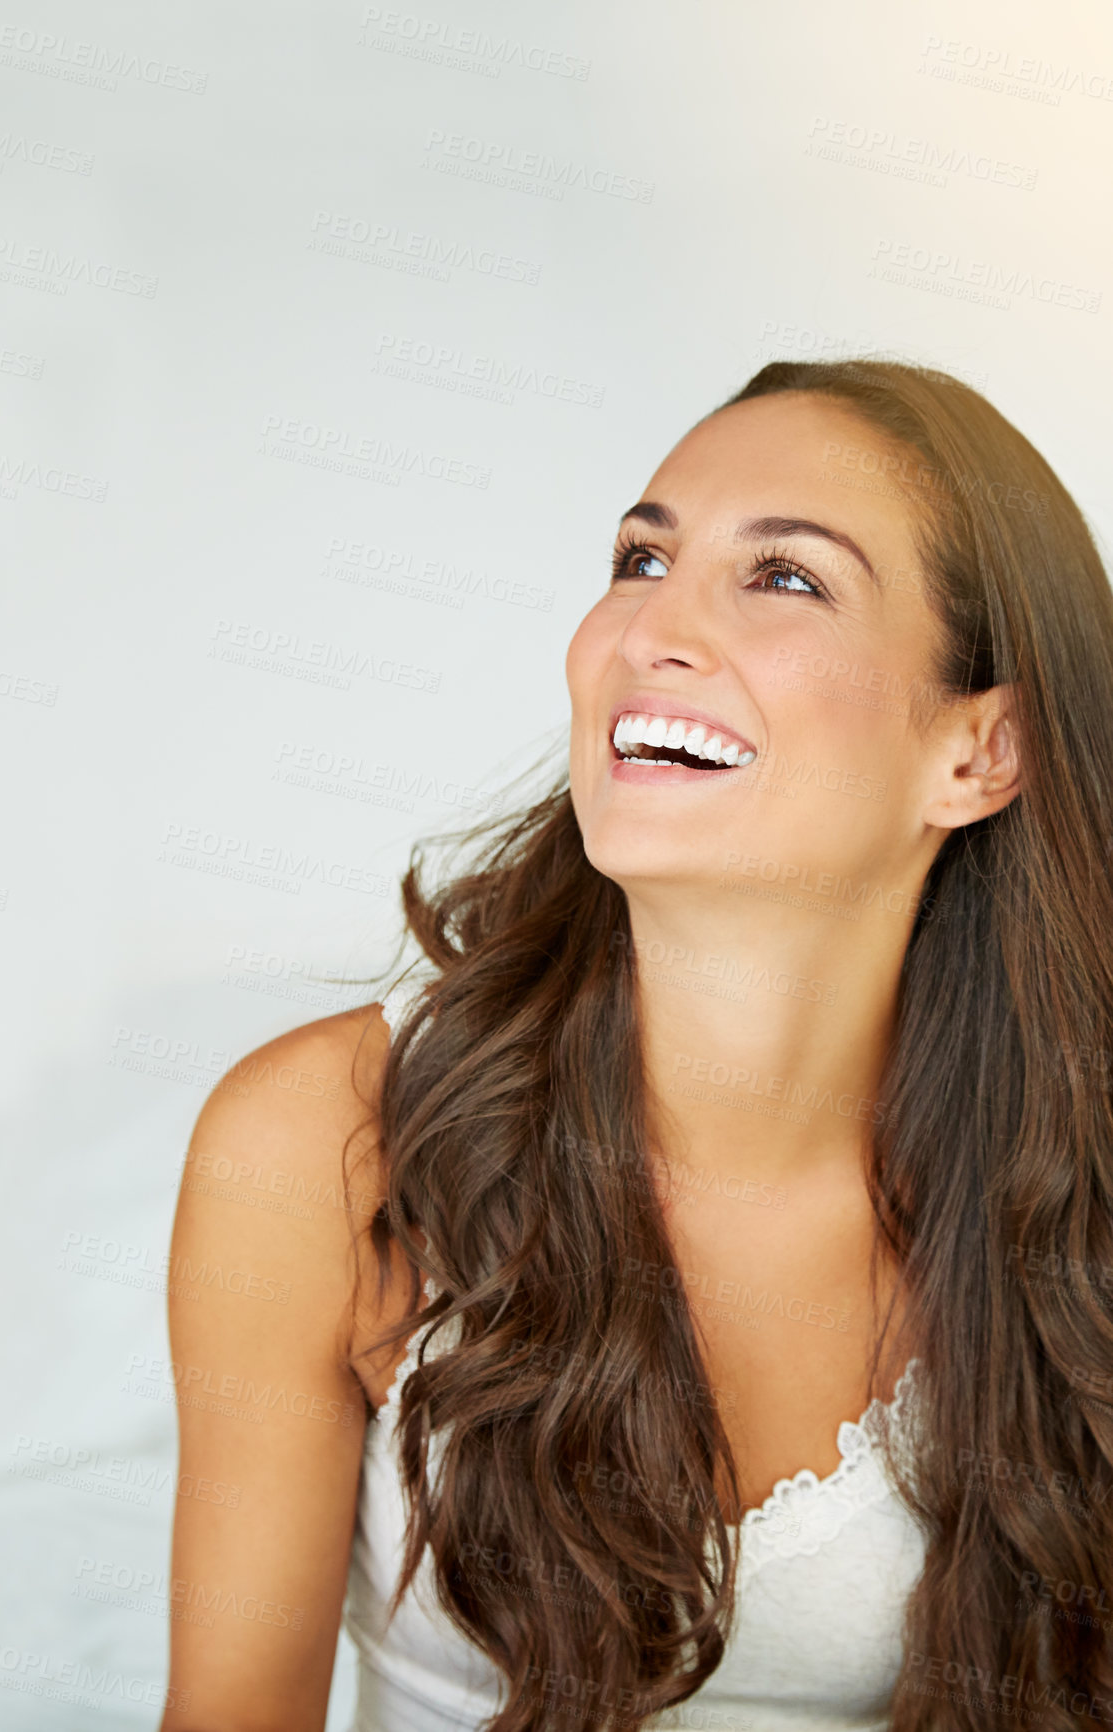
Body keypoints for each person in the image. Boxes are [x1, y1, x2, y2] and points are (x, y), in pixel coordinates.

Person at [159, 358, 1113, 1732]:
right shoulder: (323, 1142)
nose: (649, 627)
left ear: (980, 750)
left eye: (782, 577)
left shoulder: (1073, 1176)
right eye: (639, 557)